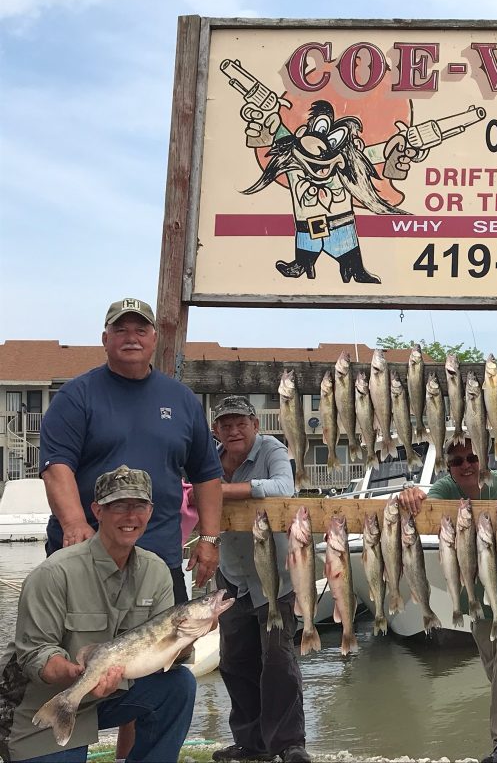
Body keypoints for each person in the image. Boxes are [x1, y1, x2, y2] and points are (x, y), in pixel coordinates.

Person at [0, 466, 197, 763]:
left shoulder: (157, 571)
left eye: (139, 505)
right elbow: (34, 655)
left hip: (112, 694)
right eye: (118, 505)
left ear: (150, 510)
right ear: (97, 510)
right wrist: (76, 673)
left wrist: (190, 635)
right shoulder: (54, 573)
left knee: (179, 685)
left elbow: (159, 655)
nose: (131, 516)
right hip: (42, 701)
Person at [38, 297, 224, 599]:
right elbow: (56, 467)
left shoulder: (182, 400)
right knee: (79, 646)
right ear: (105, 338)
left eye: (140, 330)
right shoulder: (75, 397)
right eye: (120, 329)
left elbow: (207, 474)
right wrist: (73, 523)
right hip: (86, 555)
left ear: (154, 338)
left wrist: (209, 538)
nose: (131, 338)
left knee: (168, 645)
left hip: (161, 558)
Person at [399, 439, 497, 763]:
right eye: (458, 461)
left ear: (484, 459)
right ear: (449, 468)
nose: (466, 465)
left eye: (473, 457)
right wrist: (410, 494)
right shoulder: (444, 489)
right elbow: (424, 505)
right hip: (480, 599)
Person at [208, 396, 310, 763]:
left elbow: (285, 487)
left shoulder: (273, 448)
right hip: (232, 576)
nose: (233, 430)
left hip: (276, 579)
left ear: (254, 423)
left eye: (240, 422)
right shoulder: (210, 457)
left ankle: (289, 745)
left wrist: (223, 491)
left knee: (279, 662)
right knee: (235, 661)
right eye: (225, 424)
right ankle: (251, 745)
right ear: (216, 429)